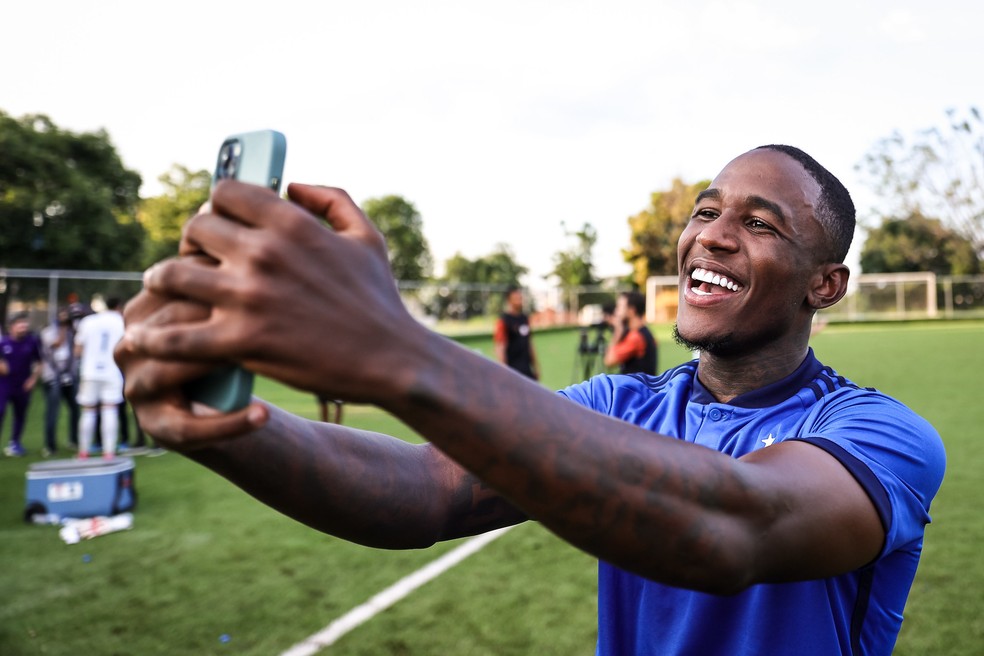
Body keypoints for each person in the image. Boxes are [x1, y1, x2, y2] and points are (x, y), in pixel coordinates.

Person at [116, 145, 946, 655]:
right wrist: (220, 430)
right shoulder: (620, 402)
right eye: (705, 211)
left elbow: (735, 528)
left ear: (825, 284)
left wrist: (393, 345)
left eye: (761, 224)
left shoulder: (883, 436)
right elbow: (428, 488)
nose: (714, 235)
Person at [75, 297, 126, 459]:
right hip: (112, 371)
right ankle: (109, 451)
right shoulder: (122, 322)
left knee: (88, 410)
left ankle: (84, 451)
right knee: (110, 409)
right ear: (118, 306)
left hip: (89, 371)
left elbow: (77, 350)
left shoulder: (88, 321)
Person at [40, 307, 80, 456]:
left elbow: (78, 347)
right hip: (52, 377)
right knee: (53, 412)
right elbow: (56, 344)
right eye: (61, 317)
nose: (65, 320)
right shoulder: (48, 332)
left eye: (66, 317)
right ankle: (50, 446)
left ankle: (74, 439)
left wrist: (73, 329)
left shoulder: (73, 331)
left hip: (70, 376)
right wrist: (63, 329)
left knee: (75, 409)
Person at [0, 312, 42, 457]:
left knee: (20, 415)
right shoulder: (3, 342)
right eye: (20, 324)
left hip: (23, 384)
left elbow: (39, 362)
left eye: (25, 324)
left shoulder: (31, 342)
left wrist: (33, 379)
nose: (23, 327)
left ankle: (15, 443)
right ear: (12, 326)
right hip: (4, 384)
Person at [603, 290, 658, 375]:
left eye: (619, 307)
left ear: (631, 310)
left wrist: (618, 330)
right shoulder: (643, 332)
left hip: (635, 387)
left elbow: (609, 360)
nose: (616, 312)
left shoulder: (635, 337)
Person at [493, 285, 540, 380]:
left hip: (527, 370)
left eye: (520, 297)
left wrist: (536, 367)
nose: (520, 300)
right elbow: (500, 347)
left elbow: (529, 343)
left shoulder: (524, 318)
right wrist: (505, 372)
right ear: (509, 300)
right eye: (516, 298)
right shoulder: (504, 321)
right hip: (513, 372)